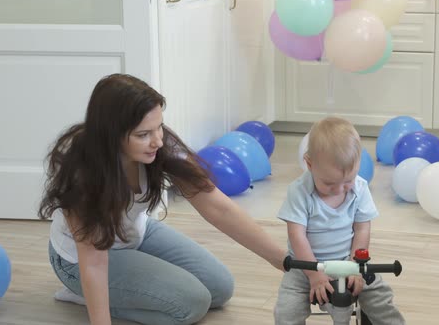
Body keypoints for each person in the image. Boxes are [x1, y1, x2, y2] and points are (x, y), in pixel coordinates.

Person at [38, 73, 286, 325]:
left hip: (134, 234)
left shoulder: (161, 145)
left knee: (220, 288)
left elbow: (218, 207)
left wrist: (282, 259)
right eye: (143, 134)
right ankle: (85, 294)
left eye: (159, 127)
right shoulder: (84, 174)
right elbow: (93, 262)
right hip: (80, 259)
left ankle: (121, 293)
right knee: (191, 304)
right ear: (111, 134)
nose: (157, 140)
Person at [273, 117, 405, 325]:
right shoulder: (299, 192)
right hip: (305, 265)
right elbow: (296, 234)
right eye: (329, 183)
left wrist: (355, 264)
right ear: (309, 164)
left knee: (380, 299)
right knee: (286, 311)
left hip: (348, 260)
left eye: (348, 180)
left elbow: (362, 229)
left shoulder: (359, 189)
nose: (340, 189)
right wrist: (313, 274)